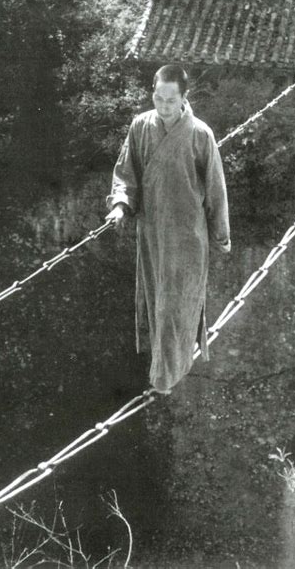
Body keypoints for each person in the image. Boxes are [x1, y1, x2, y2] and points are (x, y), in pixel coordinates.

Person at [106, 64, 231, 394]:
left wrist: (221, 234)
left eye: (170, 101)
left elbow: (215, 187)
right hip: (153, 233)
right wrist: (120, 205)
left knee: (176, 305)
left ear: (184, 98)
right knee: (157, 301)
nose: (163, 107)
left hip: (188, 236)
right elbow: (125, 174)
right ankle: (164, 370)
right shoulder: (140, 127)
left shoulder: (200, 134)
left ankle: (165, 378)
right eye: (158, 98)